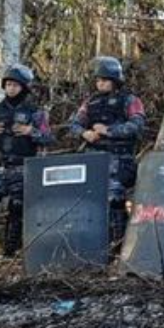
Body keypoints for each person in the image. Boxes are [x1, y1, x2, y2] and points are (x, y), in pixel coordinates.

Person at [0, 64, 54, 259]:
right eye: (8, 84)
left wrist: (30, 132)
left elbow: (48, 138)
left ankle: (9, 252)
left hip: (23, 168)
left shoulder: (35, 112)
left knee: (17, 208)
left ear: (24, 87)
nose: (11, 88)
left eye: (16, 85)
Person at [67, 56, 146, 252]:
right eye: (98, 80)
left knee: (115, 198)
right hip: (94, 160)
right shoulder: (90, 102)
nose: (100, 83)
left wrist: (109, 131)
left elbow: (137, 126)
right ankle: (93, 244)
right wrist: (85, 133)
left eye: (104, 79)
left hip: (121, 159)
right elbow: (74, 124)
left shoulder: (130, 100)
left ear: (115, 80)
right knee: (89, 200)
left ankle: (118, 245)